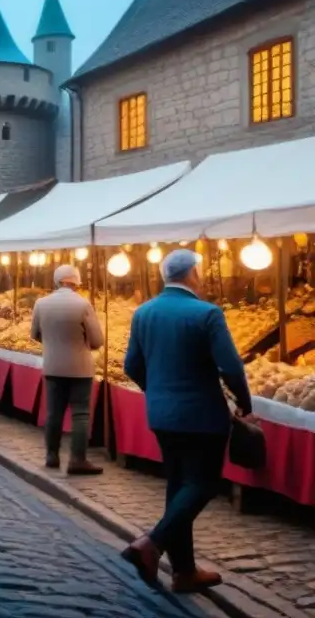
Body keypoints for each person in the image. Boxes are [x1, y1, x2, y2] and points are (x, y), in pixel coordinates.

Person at [120, 250, 254, 594]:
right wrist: (244, 403)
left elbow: (131, 365)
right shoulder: (207, 313)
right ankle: (151, 543)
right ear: (192, 274)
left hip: (162, 415)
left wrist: (158, 391)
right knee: (204, 483)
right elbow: (230, 367)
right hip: (202, 415)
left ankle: (183, 571)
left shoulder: (144, 312)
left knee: (178, 486)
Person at [30, 264, 105, 475]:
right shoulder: (83, 304)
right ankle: (77, 459)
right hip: (80, 367)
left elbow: (34, 334)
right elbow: (98, 340)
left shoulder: (41, 303)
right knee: (80, 414)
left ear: (57, 281)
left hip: (52, 366)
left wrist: (52, 343)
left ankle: (51, 456)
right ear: (76, 282)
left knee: (54, 412)